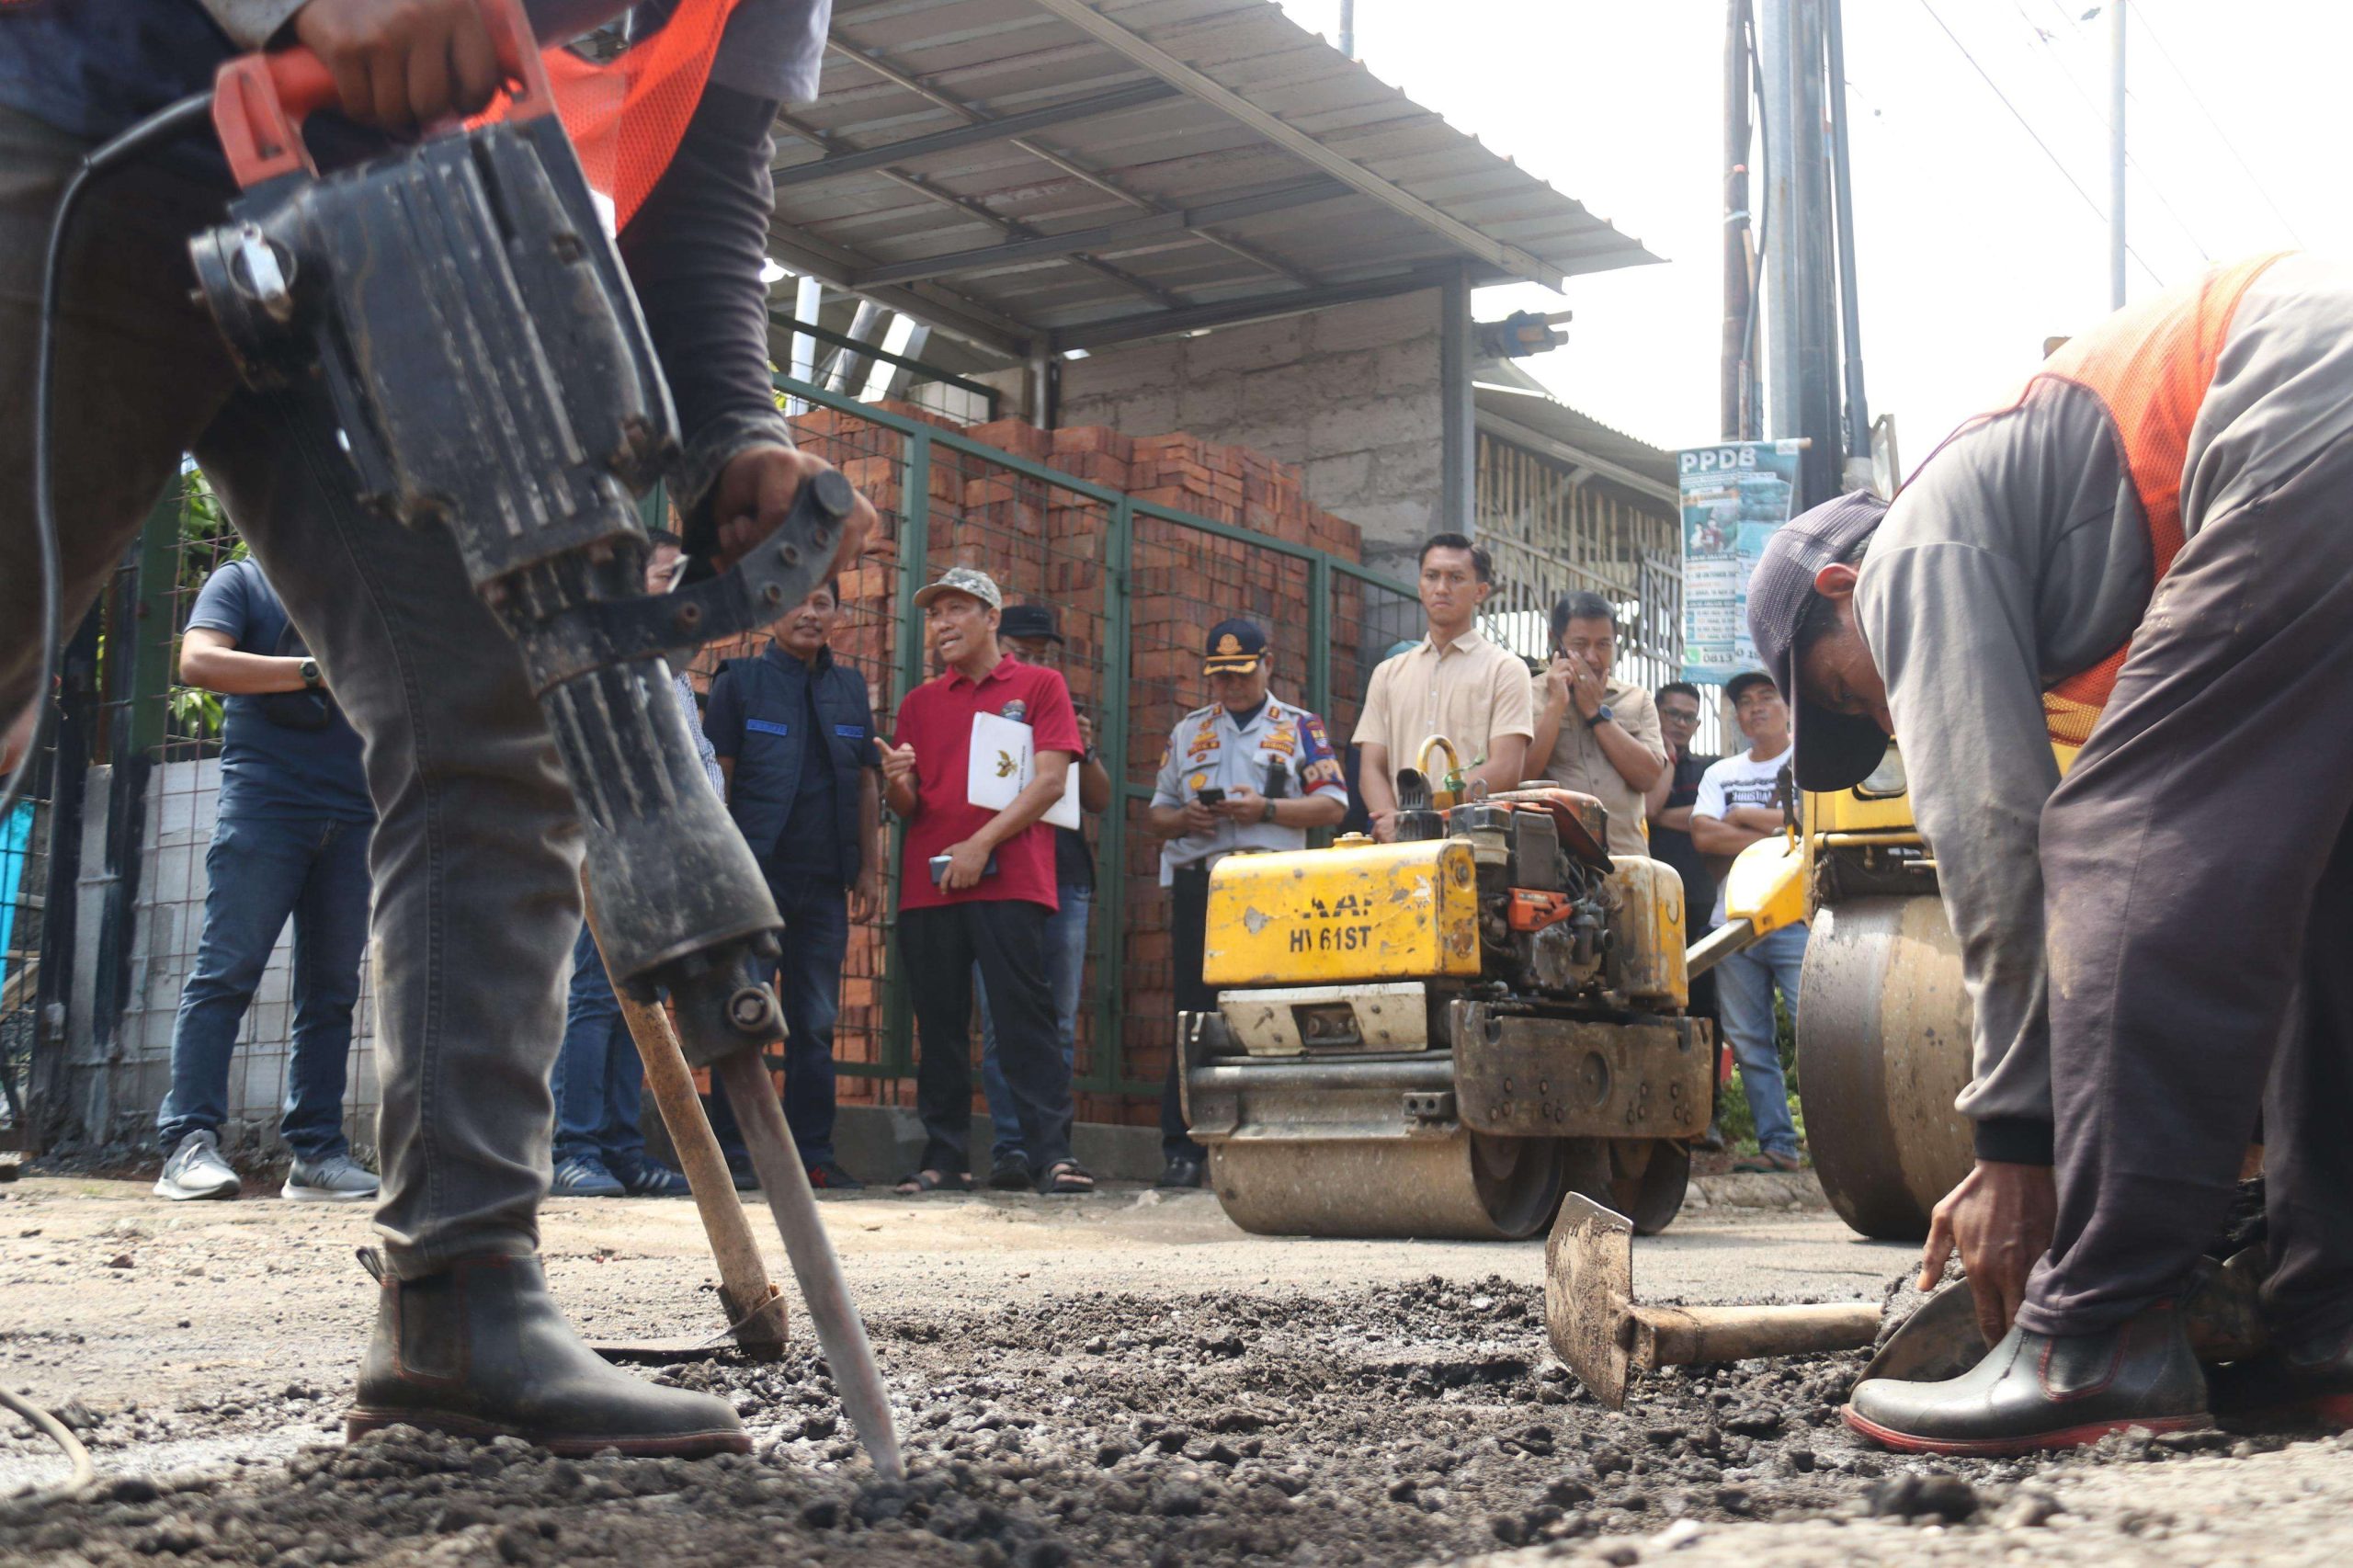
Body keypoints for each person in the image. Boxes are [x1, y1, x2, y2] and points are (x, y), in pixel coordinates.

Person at [0, 0, 876, 1454]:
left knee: (495, 701)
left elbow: (702, 167)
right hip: (101, 97)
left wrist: (732, 425)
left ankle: (462, 1289)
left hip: (391, 214)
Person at [1750, 253, 2353, 1454]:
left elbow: (1996, 836)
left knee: (2116, 833)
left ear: (1840, 588)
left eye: (1845, 694)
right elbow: (2240, 917)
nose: (1881, 722)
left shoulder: (1913, 546)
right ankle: (2337, 1326)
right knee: (2330, 891)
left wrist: (2017, 1145)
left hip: (2309, 410)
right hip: (2317, 414)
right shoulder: (2102, 587)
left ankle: (2102, 1334)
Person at [153, 556, 378, 1204]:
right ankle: (187, 1144)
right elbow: (197, 662)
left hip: (359, 811)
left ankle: (317, 1154)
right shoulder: (245, 580)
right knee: (226, 972)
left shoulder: (370, 592)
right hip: (266, 805)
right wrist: (315, 672)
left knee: (333, 989)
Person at [876, 568, 1092, 1196]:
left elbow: (1052, 781)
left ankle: (1053, 1154)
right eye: (935, 613)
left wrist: (980, 844)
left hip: (1010, 879)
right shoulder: (919, 702)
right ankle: (944, 1157)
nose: (942, 623)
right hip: (931, 885)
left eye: (956, 610)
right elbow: (910, 804)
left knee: (1025, 1019)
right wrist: (893, 778)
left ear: (992, 618)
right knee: (939, 1025)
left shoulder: (1039, 685)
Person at [1145, 619, 1349, 1188]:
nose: (1229, 686)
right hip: (1202, 885)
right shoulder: (1189, 731)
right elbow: (1155, 815)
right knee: (1194, 1014)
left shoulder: (1300, 727)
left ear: (1267, 665)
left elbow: (1333, 805)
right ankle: (1183, 1149)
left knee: (1272, 1013)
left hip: (1271, 886)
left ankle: (1272, 1144)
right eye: (1219, 675)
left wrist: (1264, 810)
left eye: (1240, 673)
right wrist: (1188, 817)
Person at [701, 574, 881, 1193]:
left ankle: (813, 1157)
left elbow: (865, 782)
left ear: (835, 614)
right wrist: (718, 870)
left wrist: (869, 867)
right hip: (753, 881)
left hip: (824, 885)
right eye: (794, 599)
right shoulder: (738, 684)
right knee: (741, 1016)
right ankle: (736, 1153)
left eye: (822, 603)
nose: (809, 613)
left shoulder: (850, 689)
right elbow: (717, 778)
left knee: (815, 1023)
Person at [546, 533, 709, 1199]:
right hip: (611, 847)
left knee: (642, 999)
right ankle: (574, 1149)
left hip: (671, 853)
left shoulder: (673, 668)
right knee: (594, 997)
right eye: (669, 575)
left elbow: (696, 757)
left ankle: (620, 1148)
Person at [974, 604, 1112, 1191]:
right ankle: (1011, 1145)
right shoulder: (985, 706)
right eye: (1022, 651)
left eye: (1042, 653)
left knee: (1056, 1019)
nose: (1032, 662)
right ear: (1000, 645)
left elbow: (1098, 799)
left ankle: (1053, 1150)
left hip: (1063, 872)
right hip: (1004, 875)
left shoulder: (1058, 702)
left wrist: (1086, 748)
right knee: (1000, 1020)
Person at [1688, 672, 1805, 1175]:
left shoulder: (1810, 760)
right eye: (1745, 702)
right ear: (1736, 716)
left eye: (1766, 697)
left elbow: (1815, 826)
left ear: (1787, 705)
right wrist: (1779, 829)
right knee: (1749, 1039)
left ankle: (1842, 1149)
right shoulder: (1721, 771)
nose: (1756, 708)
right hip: (1731, 919)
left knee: (1819, 1032)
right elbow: (1703, 839)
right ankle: (1778, 1146)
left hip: (1798, 916)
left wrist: (1739, 814)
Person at [1355, 535, 1534, 840]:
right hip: (1397, 847)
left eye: (1456, 578)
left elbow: (1505, 767)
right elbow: (1371, 767)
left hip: (1476, 842)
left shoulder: (1506, 669)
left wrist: (1425, 818)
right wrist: (1394, 824)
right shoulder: (1387, 673)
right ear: (1420, 586)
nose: (1441, 587)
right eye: (1432, 576)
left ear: (1480, 592)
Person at [1525, 591, 1667, 858]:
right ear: (1555, 643)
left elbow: (1649, 777)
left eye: (1603, 645)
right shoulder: (1528, 695)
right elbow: (1522, 774)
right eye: (1579, 645)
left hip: (1627, 860)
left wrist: (1595, 713)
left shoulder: (1636, 699)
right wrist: (1556, 705)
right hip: (1555, 864)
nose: (1591, 657)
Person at [1645, 679, 1722, 1150]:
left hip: (1697, 902)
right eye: (1671, 714)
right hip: (1648, 899)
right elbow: (1645, 807)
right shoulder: (1640, 762)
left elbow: (1712, 818)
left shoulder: (1710, 769)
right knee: (1653, 1007)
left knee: (1704, 1010)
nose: (1679, 723)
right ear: (1654, 714)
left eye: (1688, 717)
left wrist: (1670, 817)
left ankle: (1706, 1114)